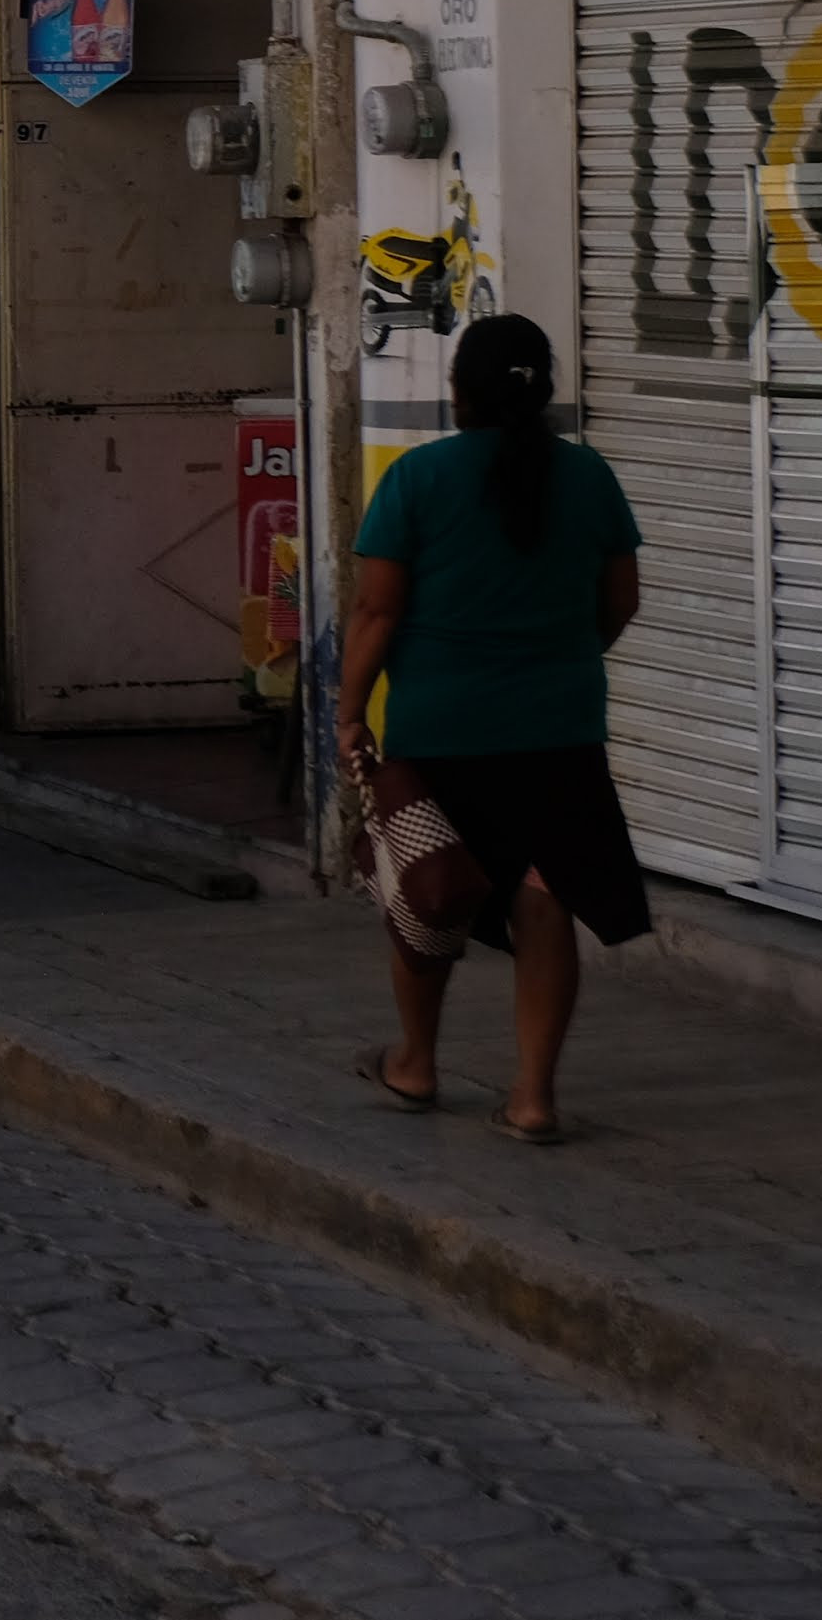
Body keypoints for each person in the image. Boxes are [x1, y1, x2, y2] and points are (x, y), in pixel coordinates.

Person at [342, 312, 649, 1144]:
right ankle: (534, 1097)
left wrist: (347, 712)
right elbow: (619, 603)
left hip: (441, 728)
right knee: (544, 905)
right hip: (561, 727)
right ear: (544, 390)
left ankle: (414, 1061)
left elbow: (376, 609)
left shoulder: (417, 478)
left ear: (458, 392)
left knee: (430, 896)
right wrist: (560, 657)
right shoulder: (589, 477)